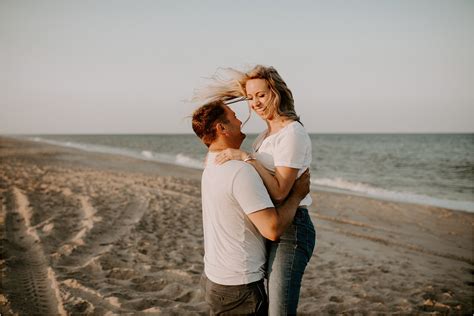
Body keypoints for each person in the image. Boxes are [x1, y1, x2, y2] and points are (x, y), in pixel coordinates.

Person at [201, 65, 316, 315]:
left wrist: (245, 157)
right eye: (250, 97)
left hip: (292, 228)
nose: (255, 103)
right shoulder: (264, 136)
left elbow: (279, 193)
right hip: (273, 223)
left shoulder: (292, 133)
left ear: (275, 92)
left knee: (279, 311)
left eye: (261, 95)